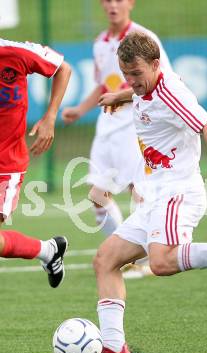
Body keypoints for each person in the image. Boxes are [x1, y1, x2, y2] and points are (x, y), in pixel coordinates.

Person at [93, 31, 207, 353]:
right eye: (126, 74)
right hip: (155, 195)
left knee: (161, 262)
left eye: (137, 74)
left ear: (155, 64)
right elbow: (141, 94)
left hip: (177, 192)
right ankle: (113, 346)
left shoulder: (170, 91)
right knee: (105, 260)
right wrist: (120, 96)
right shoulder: (146, 85)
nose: (132, 81)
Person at [62, 0, 172, 259]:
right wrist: (80, 109)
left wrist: (120, 98)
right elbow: (103, 86)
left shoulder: (143, 38)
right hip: (107, 126)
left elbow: (162, 79)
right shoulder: (100, 42)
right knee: (98, 196)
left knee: (140, 191)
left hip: (136, 124)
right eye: (108, 0)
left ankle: (147, 258)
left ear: (131, 3)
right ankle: (126, 254)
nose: (113, 5)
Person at [0, 38, 71, 288]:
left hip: (6, 164)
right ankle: (48, 251)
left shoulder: (16, 52)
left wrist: (50, 117)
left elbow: (63, 68)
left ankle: (48, 251)